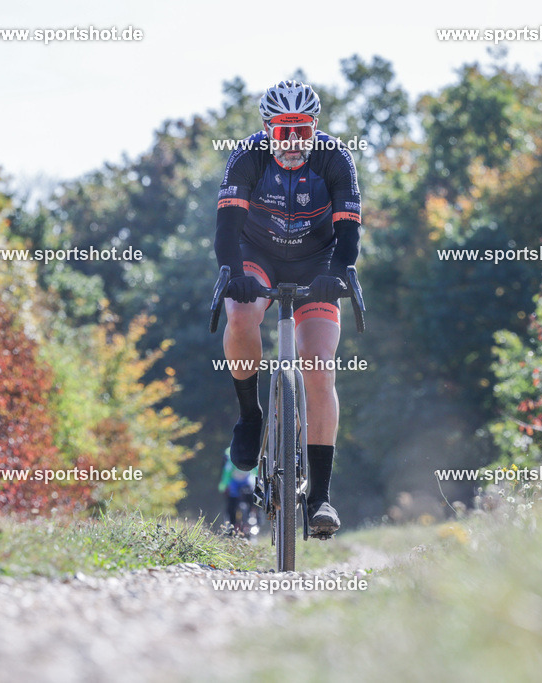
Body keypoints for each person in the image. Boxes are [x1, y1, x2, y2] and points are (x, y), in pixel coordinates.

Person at [213, 79, 362, 536]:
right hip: (257, 255)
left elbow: (349, 235)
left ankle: (320, 498)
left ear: (315, 128)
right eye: (283, 131)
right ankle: (250, 415)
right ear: (266, 129)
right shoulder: (247, 156)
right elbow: (225, 228)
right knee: (241, 314)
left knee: (319, 367)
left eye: (302, 130)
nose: (293, 141)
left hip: (317, 261)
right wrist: (233, 272)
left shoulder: (336, 159)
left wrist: (335, 274)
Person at [217, 448, 258, 535]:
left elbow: (257, 472)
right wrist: (223, 487)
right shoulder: (230, 463)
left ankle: (253, 516)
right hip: (234, 483)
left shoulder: (250, 459)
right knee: (231, 505)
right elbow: (226, 476)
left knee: (252, 497)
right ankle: (232, 525)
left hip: (247, 482)